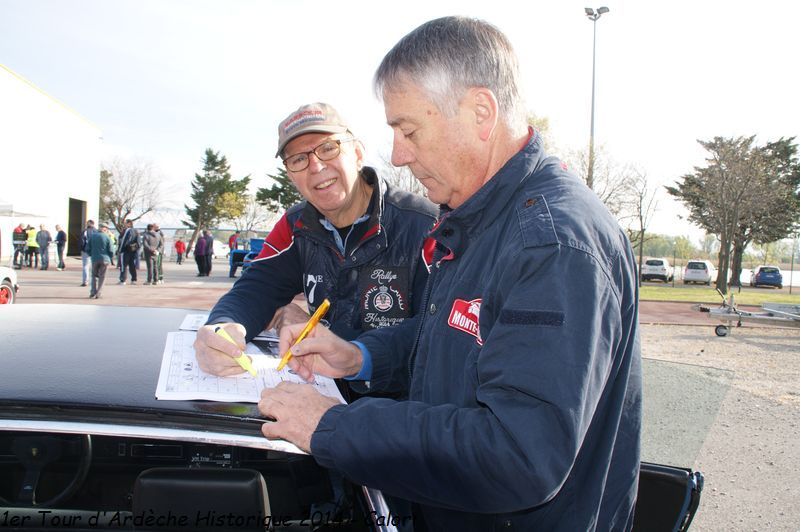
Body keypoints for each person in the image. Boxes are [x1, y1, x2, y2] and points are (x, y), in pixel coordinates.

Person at [256, 18, 642, 532]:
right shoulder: (479, 217)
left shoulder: (551, 244)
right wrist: (361, 356)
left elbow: (519, 454)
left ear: (481, 112)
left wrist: (332, 425)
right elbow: (455, 333)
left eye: (408, 130)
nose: (397, 155)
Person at [193, 101, 437, 378]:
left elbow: (441, 331)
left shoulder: (426, 226)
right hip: (319, 389)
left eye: (328, 148)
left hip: (400, 406)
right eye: (298, 159)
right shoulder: (294, 225)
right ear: (290, 176)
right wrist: (223, 327)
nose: (316, 166)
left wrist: (358, 354)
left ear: (357, 153)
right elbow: (256, 288)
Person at [86, 223, 114, 299]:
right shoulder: (107, 237)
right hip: (105, 259)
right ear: (105, 229)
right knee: (102, 276)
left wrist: (91, 255)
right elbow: (111, 250)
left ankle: (92, 292)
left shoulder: (93, 236)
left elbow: (87, 248)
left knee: (94, 276)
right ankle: (98, 293)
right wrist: (111, 257)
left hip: (94, 258)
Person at [117, 219, 139, 285]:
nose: (124, 224)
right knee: (132, 266)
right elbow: (138, 242)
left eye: (125, 223)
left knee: (124, 266)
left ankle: (123, 280)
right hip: (133, 251)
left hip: (125, 251)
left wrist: (120, 250)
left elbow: (124, 241)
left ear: (129, 224)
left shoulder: (127, 231)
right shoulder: (136, 231)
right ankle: (134, 279)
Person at [78, 220, 95, 285]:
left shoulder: (85, 231)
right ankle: (94, 281)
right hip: (95, 251)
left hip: (86, 250)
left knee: (86, 266)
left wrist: (81, 249)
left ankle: (85, 281)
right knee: (94, 266)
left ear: (88, 224)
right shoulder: (97, 232)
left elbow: (82, 241)